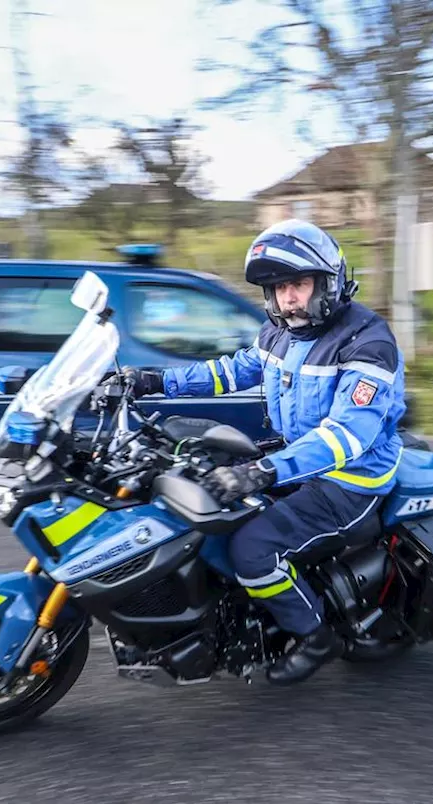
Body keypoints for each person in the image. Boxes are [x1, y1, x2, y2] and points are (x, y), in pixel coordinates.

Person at [121, 219, 408, 684]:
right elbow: (230, 372)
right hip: (294, 461)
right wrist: (155, 380)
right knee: (201, 505)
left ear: (328, 282)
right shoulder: (278, 334)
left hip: (350, 481)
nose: (287, 298)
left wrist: (264, 471)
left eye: (297, 284)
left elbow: (348, 435)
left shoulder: (367, 342)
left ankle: (315, 635)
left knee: (253, 550)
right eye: (277, 288)